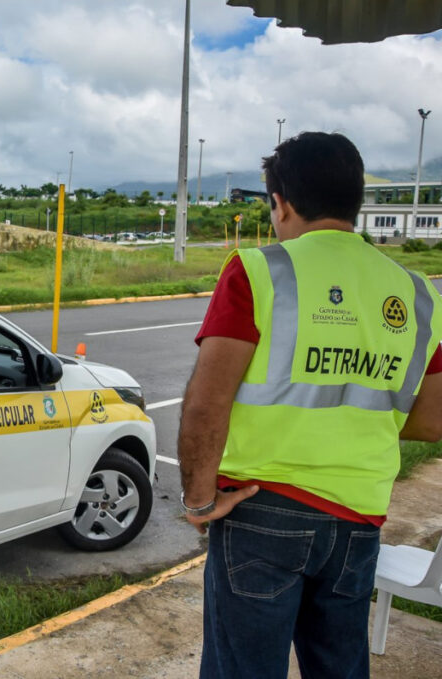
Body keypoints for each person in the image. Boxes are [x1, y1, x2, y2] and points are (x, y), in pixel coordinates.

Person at [177, 131, 442, 679]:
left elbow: (207, 403)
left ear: (282, 202)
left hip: (261, 509)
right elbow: (432, 420)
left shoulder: (258, 271)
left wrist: (200, 501)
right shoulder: (418, 293)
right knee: (340, 668)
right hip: (359, 518)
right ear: (356, 201)